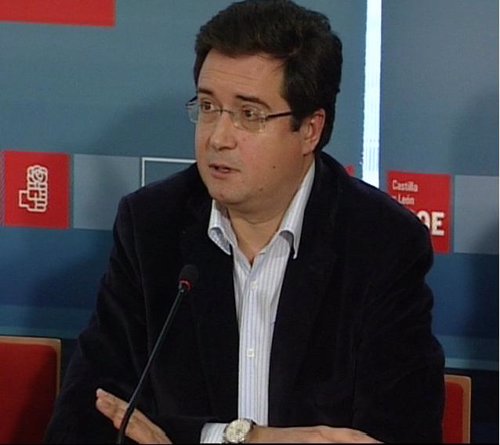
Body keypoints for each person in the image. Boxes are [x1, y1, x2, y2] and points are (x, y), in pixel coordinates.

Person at [44, 0, 445, 443]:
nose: (218, 137)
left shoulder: (382, 243)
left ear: (309, 130)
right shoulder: (151, 226)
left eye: (249, 114)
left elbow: (400, 433)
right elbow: (84, 423)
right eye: (208, 107)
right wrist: (245, 438)